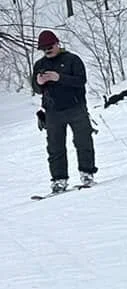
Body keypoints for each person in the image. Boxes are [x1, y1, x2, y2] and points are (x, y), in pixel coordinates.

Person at [32, 31, 97, 192]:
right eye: (44, 48)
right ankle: (59, 180)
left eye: (50, 46)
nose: (47, 50)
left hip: (76, 108)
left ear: (57, 44)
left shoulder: (72, 59)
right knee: (55, 148)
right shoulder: (39, 65)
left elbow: (81, 81)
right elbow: (36, 88)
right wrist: (39, 83)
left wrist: (58, 78)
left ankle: (87, 173)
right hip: (53, 111)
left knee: (83, 142)